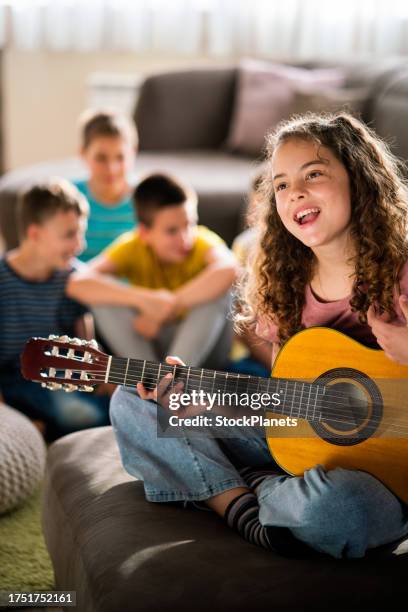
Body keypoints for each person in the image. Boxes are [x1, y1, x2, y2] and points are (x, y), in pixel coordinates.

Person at [109, 112, 408, 559]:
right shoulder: (286, 283)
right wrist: (201, 404)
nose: (296, 193)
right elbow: (291, 409)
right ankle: (242, 504)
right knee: (133, 403)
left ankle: (243, 484)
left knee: (342, 508)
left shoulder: (401, 274)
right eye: (282, 184)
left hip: (381, 481)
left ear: (359, 180)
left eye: (315, 174)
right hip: (296, 441)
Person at [89, 172, 237, 368]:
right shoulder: (132, 247)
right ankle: (148, 378)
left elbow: (230, 268)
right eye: (172, 231)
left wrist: (167, 308)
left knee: (221, 290)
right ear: (145, 233)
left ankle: (171, 382)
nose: (185, 238)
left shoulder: (202, 242)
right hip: (153, 346)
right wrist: (144, 300)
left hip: (204, 354)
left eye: (190, 224)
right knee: (101, 294)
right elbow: (79, 281)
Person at [0, 179, 111, 440]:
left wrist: (103, 373)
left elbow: (85, 335)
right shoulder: (3, 281)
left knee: (119, 401)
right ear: (35, 234)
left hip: (63, 374)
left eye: (80, 233)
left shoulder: (70, 277)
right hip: (15, 379)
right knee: (78, 414)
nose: (80, 245)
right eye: (69, 235)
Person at [74, 109, 137, 261]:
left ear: (133, 153)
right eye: (101, 158)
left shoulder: (145, 200)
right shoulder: (70, 198)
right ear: (83, 153)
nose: (111, 169)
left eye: (120, 157)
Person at [229, 165, 272, 377]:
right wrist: (279, 368)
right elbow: (241, 319)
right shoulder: (246, 246)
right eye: (254, 209)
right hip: (256, 356)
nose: (254, 219)